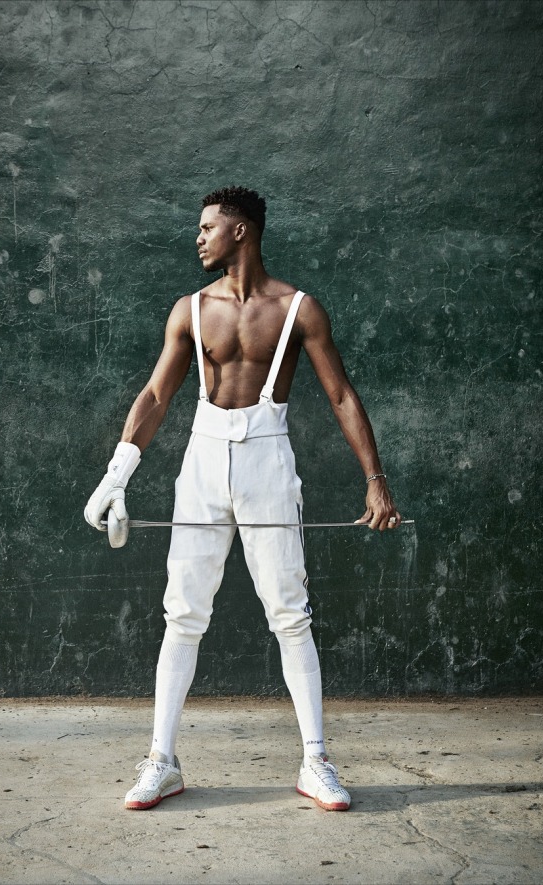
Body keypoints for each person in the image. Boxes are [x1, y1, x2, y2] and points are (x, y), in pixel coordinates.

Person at [85, 186, 400, 812]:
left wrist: (375, 477)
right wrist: (116, 475)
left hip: (267, 460)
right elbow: (155, 396)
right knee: (183, 614)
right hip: (201, 461)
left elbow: (341, 396)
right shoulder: (190, 309)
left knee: (290, 614)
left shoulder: (298, 309)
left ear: (241, 232)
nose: (197, 237)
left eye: (208, 227)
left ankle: (316, 762)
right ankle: (162, 762)